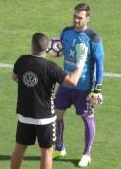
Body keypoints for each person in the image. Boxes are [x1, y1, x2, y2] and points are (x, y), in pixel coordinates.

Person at [10, 32, 88, 169]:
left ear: (32, 46)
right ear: (47, 49)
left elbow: (15, 77)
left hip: (24, 116)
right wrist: (81, 62)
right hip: (45, 118)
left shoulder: (22, 60)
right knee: (46, 151)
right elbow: (72, 81)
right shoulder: (50, 67)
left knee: (20, 147)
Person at [53, 3, 104, 167]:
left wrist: (97, 90)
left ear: (87, 18)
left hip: (84, 87)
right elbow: (59, 49)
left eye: (79, 17)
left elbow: (100, 64)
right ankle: (59, 147)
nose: (76, 20)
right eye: (74, 16)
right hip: (66, 82)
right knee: (57, 115)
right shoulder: (66, 32)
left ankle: (86, 153)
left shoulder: (93, 38)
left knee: (87, 118)